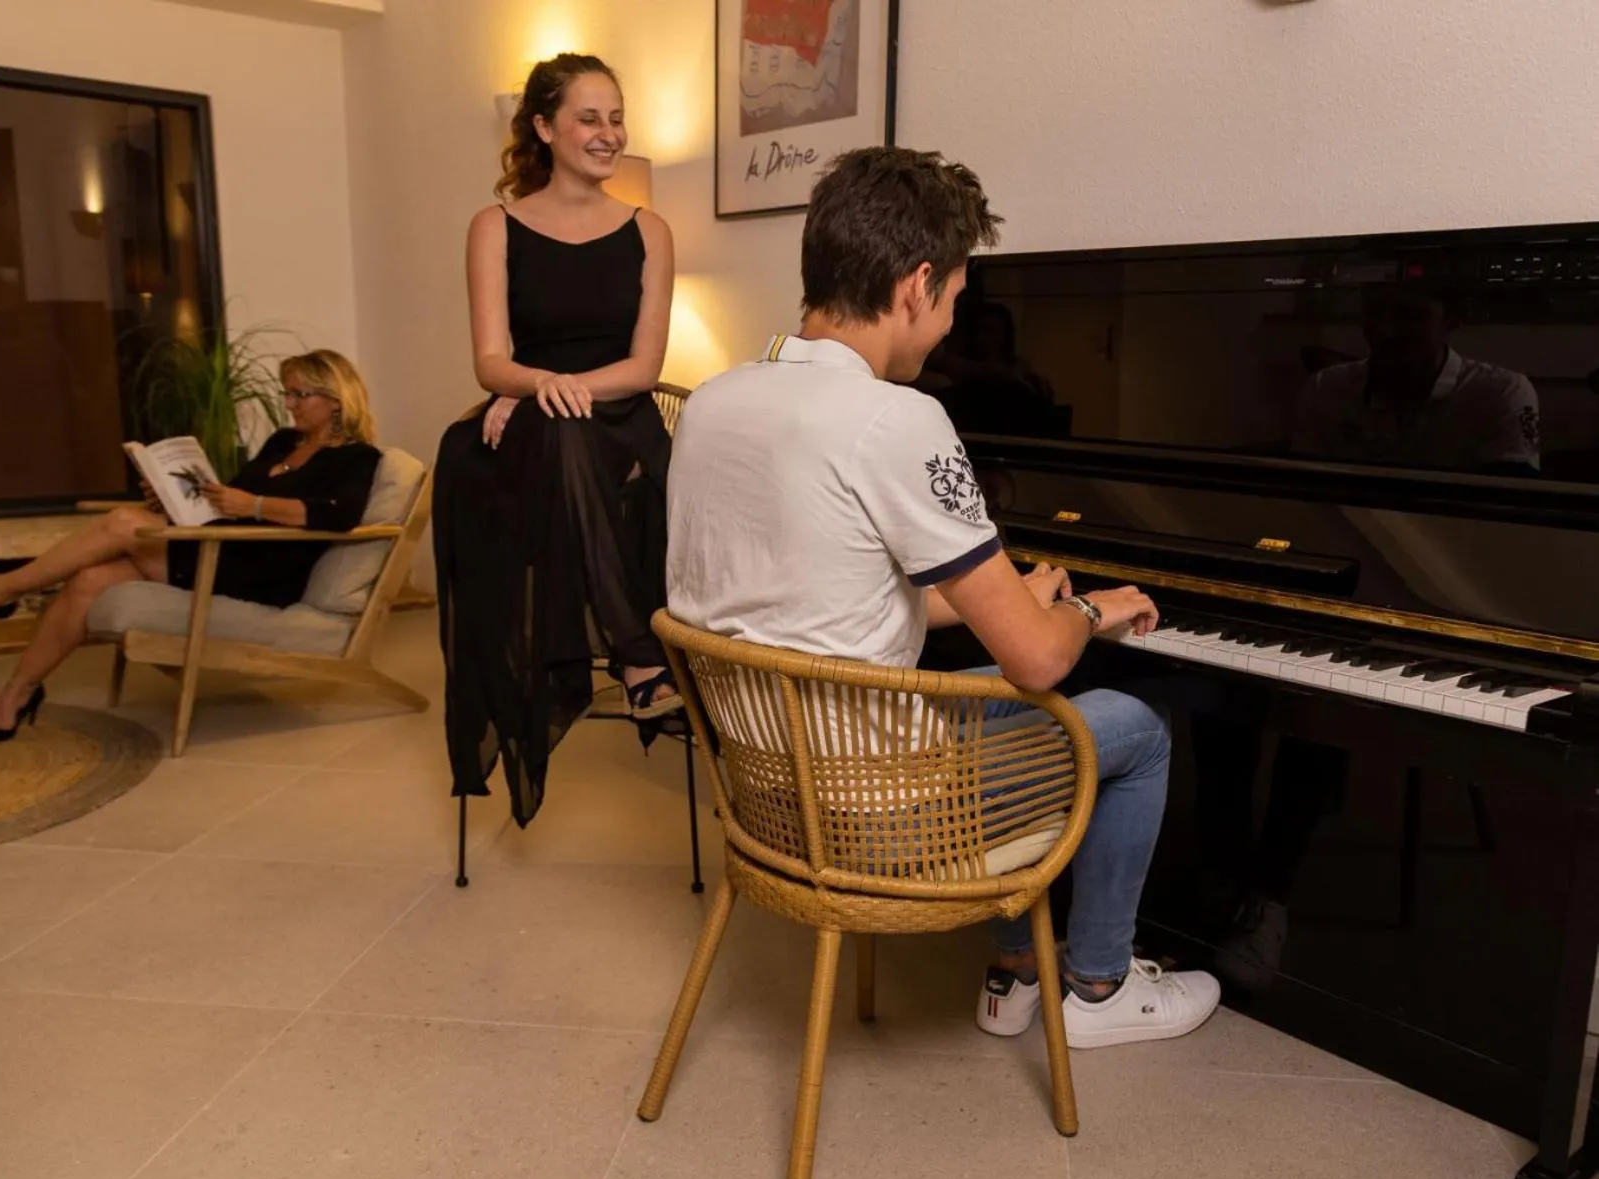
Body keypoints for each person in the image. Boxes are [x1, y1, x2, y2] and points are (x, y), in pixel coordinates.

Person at [666, 146, 1221, 1048]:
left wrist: (998, 595)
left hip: (770, 792)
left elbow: (806, 602)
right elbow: (1036, 658)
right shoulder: (898, 417)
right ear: (918, 284)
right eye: (956, 301)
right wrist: (1082, 610)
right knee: (1135, 720)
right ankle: (1097, 987)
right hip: (880, 825)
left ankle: (1010, 975)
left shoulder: (713, 402)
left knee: (974, 712)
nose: (947, 327)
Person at [433, 53, 679, 828]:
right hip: (535, 428)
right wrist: (531, 388)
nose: (607, 134)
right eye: (588, 117)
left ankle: (645, 654)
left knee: (599, 441)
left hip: (617, 417)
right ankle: (639, 657)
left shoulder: (649, 230)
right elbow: (488, 359)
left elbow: (644, 368)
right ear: (543, 127)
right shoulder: (494, 227)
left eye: (615, 117)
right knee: (564, 439)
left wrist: (547, 388)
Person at [0, 350, 381, 743]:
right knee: (89, 581)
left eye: (300, 394)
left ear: (336, 399)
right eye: (287, 392)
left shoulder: (358, 457)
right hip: (224, 545)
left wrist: (253, 504)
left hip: (260, 571)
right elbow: (230, 501)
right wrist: (178, 496)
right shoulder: (283, 443)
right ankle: (17, 693)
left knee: (122, 523)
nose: (289, 403)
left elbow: (338, 515)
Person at [1292, 283, 1541, 475]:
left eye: (1411, 316)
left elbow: (1508, 498)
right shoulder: (1324, 386)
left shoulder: (1500, 392)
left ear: (1451, 321)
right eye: (1375, 313)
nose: (1385, 330)